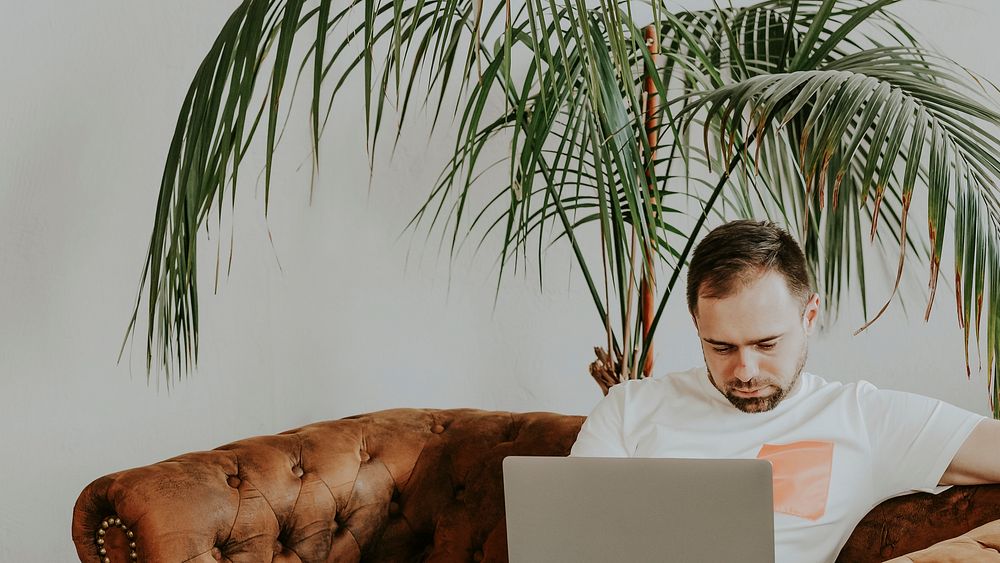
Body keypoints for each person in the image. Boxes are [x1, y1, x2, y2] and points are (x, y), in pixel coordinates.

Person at [570, 219, 1000, 563]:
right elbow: (569, 539)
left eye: (766, 344)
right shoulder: (628, 409)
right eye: (721, 347)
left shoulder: (866, 419)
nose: (744, 370)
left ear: (809, 315)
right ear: (696, 323)